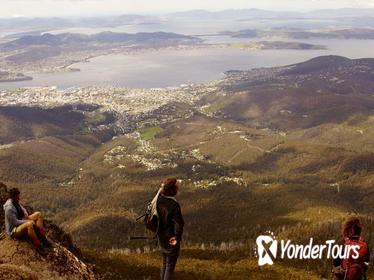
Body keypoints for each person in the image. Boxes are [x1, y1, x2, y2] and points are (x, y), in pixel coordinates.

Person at [3, 187, 51, 255]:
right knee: (29, 224)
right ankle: (38, 245)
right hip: (13, 230)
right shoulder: (9, 209)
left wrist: (26, 216)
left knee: (38, 214)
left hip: (21, 220)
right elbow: (15, 222)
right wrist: (27, 221)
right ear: (13, 197)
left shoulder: (15, 202)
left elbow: (22, 209)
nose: (19, 198)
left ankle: (42, 237)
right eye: (17, 197)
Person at [157, 178, 184, 280]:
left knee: (165, 262)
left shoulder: (159, 200)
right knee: (170, 265)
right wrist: (177, 238)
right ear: (173, 190)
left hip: (161, 236)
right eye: (176, 187)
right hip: (170, 237)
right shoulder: (174, 205)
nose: (178, 189)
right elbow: (180, 224)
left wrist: (162, 187)